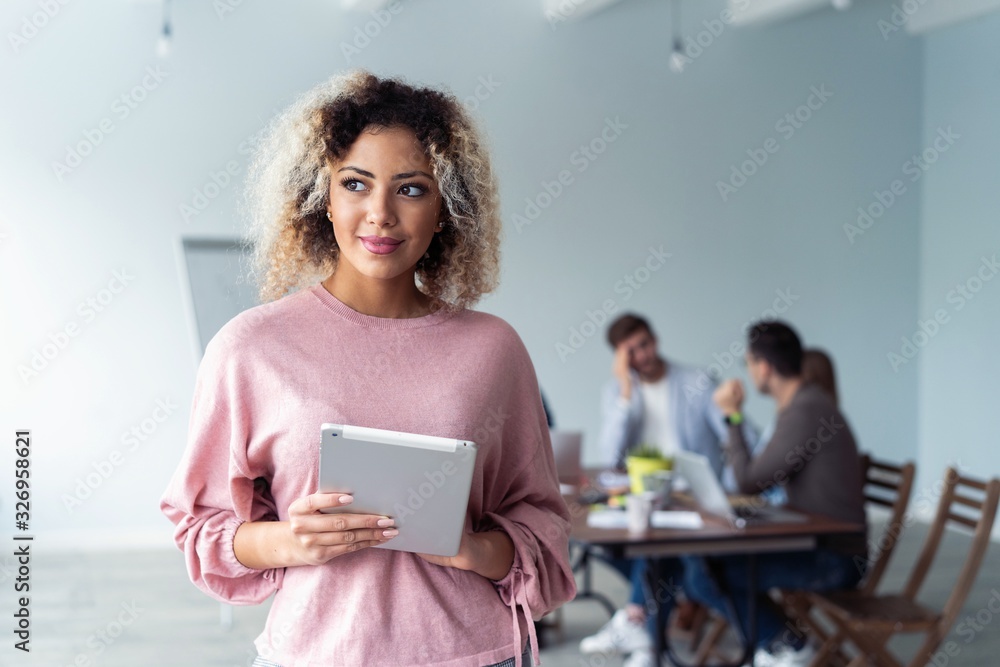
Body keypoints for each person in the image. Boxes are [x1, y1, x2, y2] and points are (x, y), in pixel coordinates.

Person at [160, 71, 575, 667]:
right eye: (355, 184)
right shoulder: (250, 348)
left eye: (411, 189)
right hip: (316, 653)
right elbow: (201, 528)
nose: (380, 214)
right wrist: (290, 540)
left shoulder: (494, 350)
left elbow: (542, 523)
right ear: (322, 198)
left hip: (476, 654)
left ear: (445, 210)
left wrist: (476, 549)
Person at [683, 321, 866, 667]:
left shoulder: (805, 410)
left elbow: (750, 481)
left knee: (703, 573)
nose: (750, 372)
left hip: (833, 559)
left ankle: (788, 644)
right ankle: (779, 642)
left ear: (763, 366)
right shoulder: (805, 405)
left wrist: (731, 415)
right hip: (812, 542)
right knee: (702, 563)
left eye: (749, 363)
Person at [581, 314, 756, 667]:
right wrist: (626, 394)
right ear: (620, 358)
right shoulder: (616, 394)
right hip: (644, 497)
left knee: (653, 541)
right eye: (631, 351)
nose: (643, 354)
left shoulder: (696, 382)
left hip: (690, 498)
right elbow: (610, 456)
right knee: (600, 542)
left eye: (645, 344)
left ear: (655, 340)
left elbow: (739, 438)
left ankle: (636, 621)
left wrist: (740, 489)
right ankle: (647, 637)